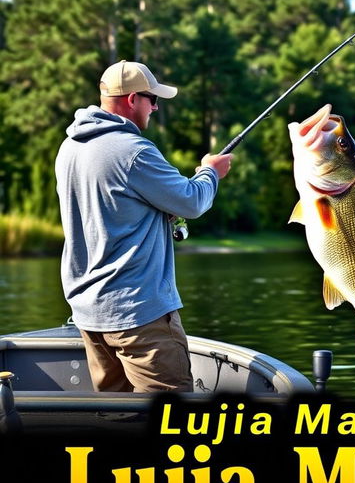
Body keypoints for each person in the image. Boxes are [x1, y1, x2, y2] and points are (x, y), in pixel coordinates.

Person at [55, 59, 233, 392]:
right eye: (152, 99)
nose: (155, 107)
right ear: (132, 99)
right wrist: (210, 171)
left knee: (119, 418)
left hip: (90, 316)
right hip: (139, 315)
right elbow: (192, 201)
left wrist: (154, 213)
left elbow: (109, 211)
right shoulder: (133, 151)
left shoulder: (69, 148)